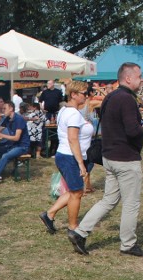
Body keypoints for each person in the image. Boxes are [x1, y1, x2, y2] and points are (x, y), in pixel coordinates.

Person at [67, 63, 143, 257]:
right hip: (125, 158)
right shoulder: (127, 99)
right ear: (128, 78)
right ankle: (128, 244)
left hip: (109, 156)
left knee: (109, 199)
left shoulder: (110, 97)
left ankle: (80, 232)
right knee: (130, 203)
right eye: (139, 76)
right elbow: (132, 130)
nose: (142, 80)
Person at [39, 80, 94, 235]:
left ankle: (49, 214)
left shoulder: (65, 110)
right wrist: (80, 164)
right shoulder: (73, 114)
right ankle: (72, 226)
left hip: (65, 155)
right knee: (77, 192)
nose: (86, 96)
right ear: (74, 95)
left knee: (72, 190)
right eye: (84, 93)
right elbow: (72, 139)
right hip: (70, 157)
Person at [0, 100, 29, 184]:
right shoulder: (7, 119)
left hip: (22, 146)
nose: (3, 110)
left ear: (11, 109)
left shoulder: (19, 119)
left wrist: (2, 135)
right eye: (2, 108)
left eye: (4, 108)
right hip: (12, 145)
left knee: (5, 156)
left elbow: (16, 138)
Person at [38, 80, 64, 155]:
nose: (48, 85)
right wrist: (42, 108)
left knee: (55, 131)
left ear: (53, 84)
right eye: (47, 84)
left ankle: (53, 148)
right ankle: (44, 149)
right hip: (47, 113)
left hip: (55, 113)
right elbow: (40, 101)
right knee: (45, 130)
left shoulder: (58, 92)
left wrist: (60, 111)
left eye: (49, 84)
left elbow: (61, 102)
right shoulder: (45, 92)